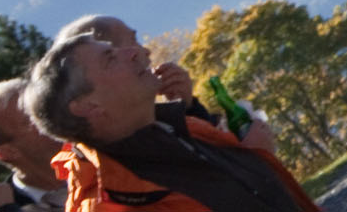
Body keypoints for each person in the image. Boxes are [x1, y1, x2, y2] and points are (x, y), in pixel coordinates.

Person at [20, 39, 316, 212]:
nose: (136, 51)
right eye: (110, 58)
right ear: (89, 107)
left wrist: (254, 160)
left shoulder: (185, 128)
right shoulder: (111, 205)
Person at [50, 17, 271, 153]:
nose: (144, 51)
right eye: (132, 43)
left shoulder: (161, 126)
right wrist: (258, 157)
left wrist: (188, 107)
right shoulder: (132, 167)